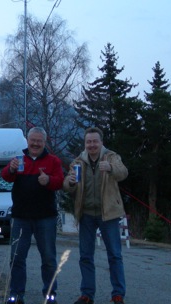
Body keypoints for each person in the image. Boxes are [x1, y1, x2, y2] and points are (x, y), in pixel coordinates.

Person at [63, 127, 128, 304]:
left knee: (114, 255)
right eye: (88, 142)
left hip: (108, 214)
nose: (92, 145)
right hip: (86, 214)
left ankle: (118, 295)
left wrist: (111, 168)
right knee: (85, 256)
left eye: (95, 141)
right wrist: (70, 182)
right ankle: (87, 295)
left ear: (101, 142)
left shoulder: (111, 157)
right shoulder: (78, 161)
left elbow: (123, 172)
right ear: (85, 144)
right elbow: (67, 185)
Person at [1, 126, 64, 304]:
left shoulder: (53, 161)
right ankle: (16, 295)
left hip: (46, 217)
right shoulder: (18, 159)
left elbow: (60, 182)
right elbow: (5, 176)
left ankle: (50, 295)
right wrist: (11, 169)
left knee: (49, 258)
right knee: (17, 258)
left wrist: (49, 180)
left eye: (39, 141)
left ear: (44, 142)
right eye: (32, 140)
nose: (35, 144)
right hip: (21, 217)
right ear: (27, 141)